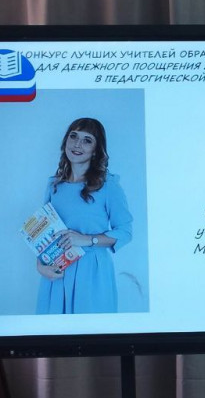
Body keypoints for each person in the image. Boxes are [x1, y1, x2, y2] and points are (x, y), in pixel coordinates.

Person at [36, 117, 133, 314]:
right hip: (56, 271)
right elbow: (42, 233)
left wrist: (87, 239)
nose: (77, 144)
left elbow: (125, 232)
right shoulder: (54, 185)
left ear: (96, 150)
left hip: (92, 273)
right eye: (73, 136)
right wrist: (40, 266)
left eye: (87, 140)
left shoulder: (108, 186)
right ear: (66, 141)